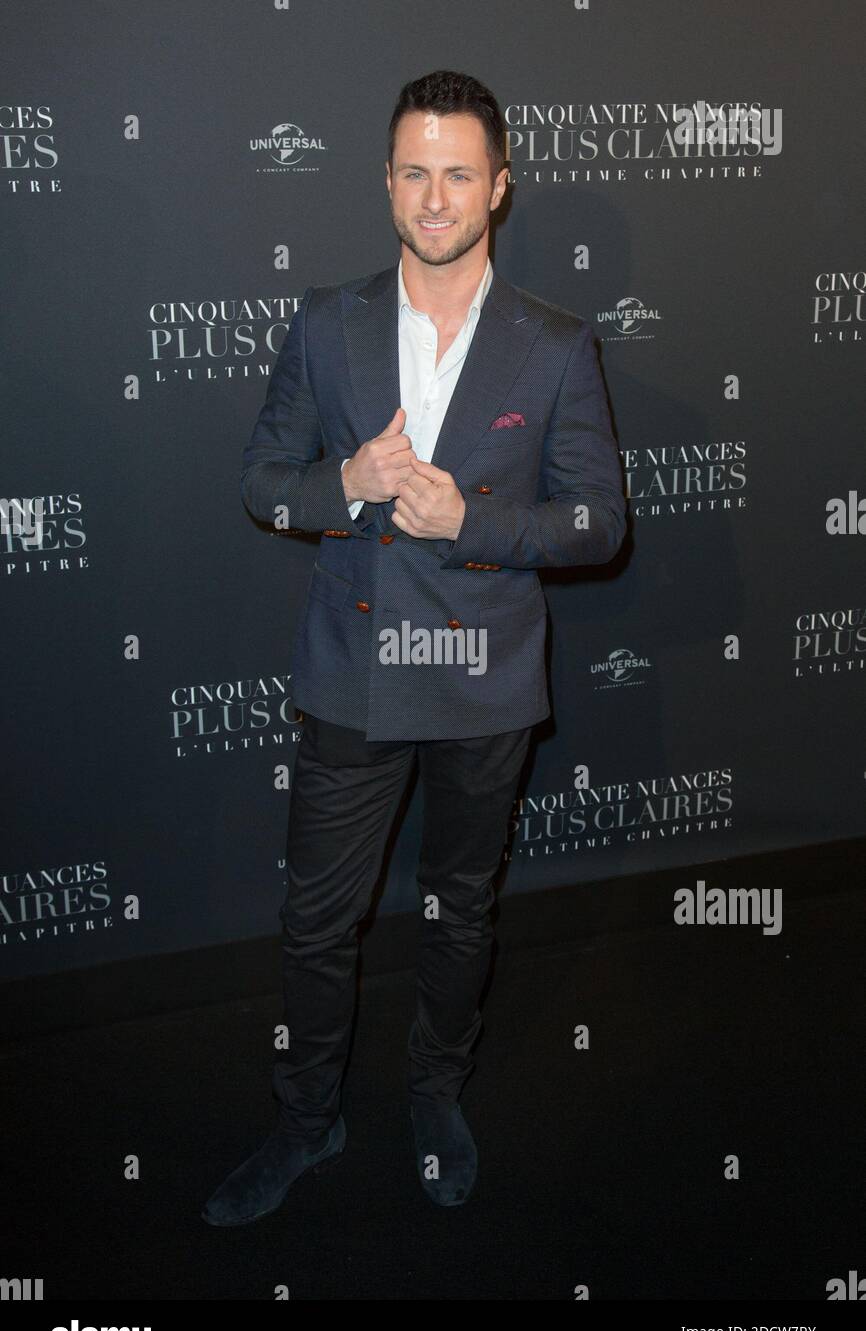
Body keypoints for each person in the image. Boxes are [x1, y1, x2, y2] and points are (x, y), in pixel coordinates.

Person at [202, 69, 626, 1225]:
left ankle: (435, 1097)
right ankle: (305, 1120)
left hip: (485, 687)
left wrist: (466, 520)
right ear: (386, 181)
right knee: (314, 922)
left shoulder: (554, 344)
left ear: (496, 186)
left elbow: (598, 524)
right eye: (411, 172)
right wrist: (347, 485)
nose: (432, 197)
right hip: (354, 675)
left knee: (458, 911)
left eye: (455, 174)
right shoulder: (326, 322)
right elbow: (260, 484)